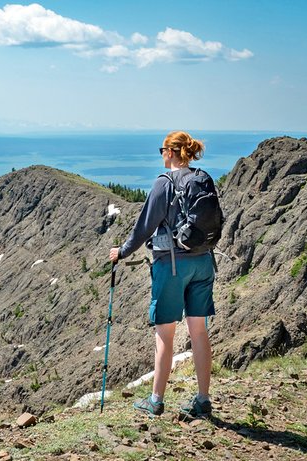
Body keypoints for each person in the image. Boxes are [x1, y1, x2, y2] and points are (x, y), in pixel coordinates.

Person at [109, 130, 215, 419]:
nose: (161, 155)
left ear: (170, 152)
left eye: (162, 150)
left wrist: (122, 252)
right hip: (203, 262)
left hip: (171, 265)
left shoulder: (164, 183)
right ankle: (203, 399)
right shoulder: (202, 179)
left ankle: (156, 400)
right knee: (199, 331)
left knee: (164, 333)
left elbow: (144, 226)